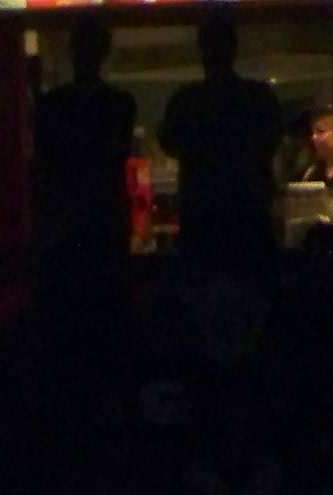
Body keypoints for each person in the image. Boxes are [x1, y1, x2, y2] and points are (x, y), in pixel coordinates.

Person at [156, 13, 284, 270]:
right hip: (249, 222)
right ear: (234, 50)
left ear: (202, 51)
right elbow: (271, 142)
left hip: (201, 222)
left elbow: (168, 142)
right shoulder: (258, 99)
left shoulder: (187, 102)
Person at [32, 21, 138, 290]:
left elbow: (42, 165)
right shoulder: (120, 104)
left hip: (63, 230)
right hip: (106, 226)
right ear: (105, 53)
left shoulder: (51, 105)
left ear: (72, 53)